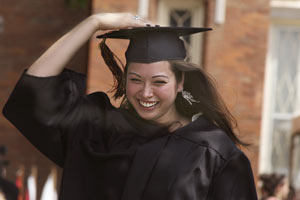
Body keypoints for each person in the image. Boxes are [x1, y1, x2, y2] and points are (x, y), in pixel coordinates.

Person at [2, 13, 258, 199]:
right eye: (135, 80)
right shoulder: (99, 132)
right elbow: (35, 90)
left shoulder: (213, 154)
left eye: (159, 81)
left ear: (181, 82)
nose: (145, 92)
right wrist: (94, 22)